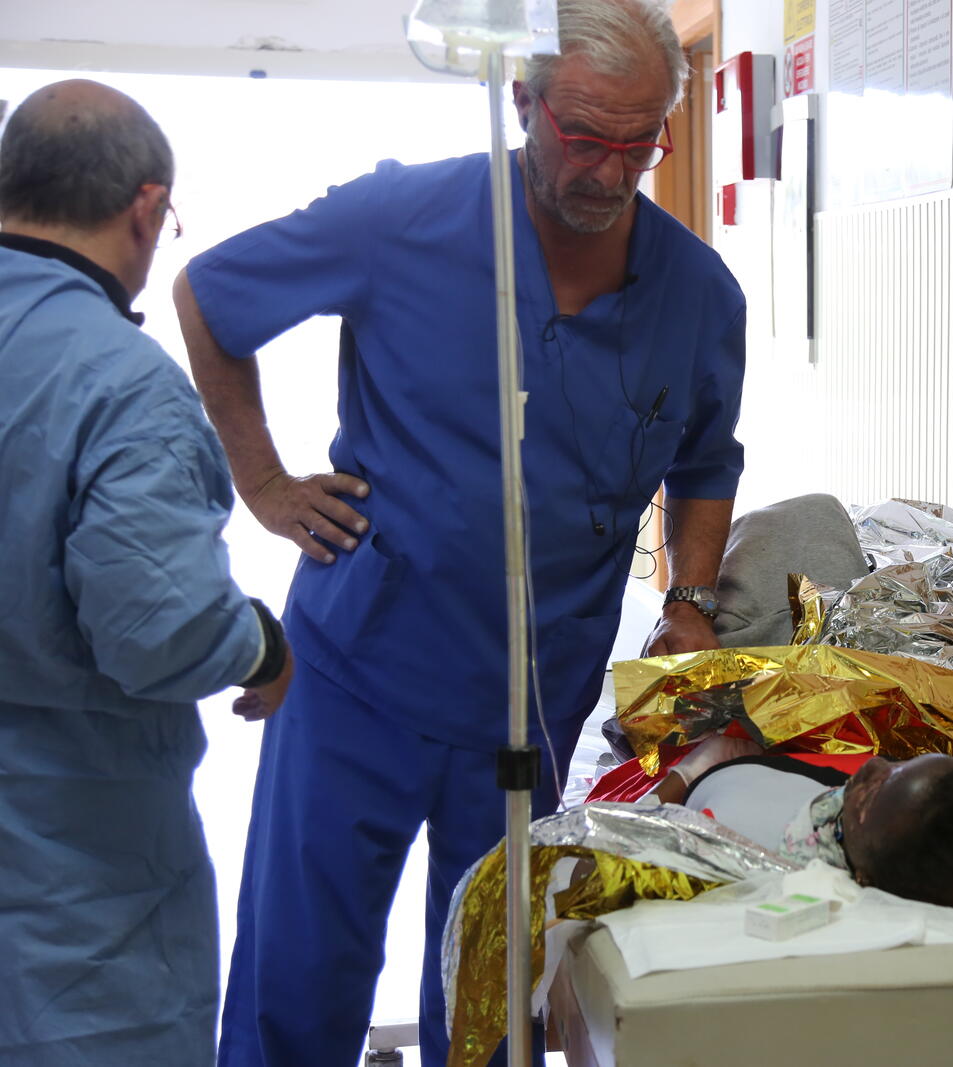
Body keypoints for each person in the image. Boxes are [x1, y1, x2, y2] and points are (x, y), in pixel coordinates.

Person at [172, 0, 747, 1062]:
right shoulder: (404, 220)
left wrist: (690, 599)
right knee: (299, 973)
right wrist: (262, 482)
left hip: (532, 695)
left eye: (640, 142)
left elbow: (706, 463)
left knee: (488, 992)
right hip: (359, 669)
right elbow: (209, 295)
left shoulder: (697, 294)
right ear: (523, 101)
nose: (611, 171)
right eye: (583, 135)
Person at [0, 80, 294, 1066]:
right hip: (70, 887)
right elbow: (155, 630)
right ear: (146, 208)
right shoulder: (121, 387)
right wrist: (262, 642)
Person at [653, 739, 953, 913]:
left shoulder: (752, 851)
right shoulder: (880, 820)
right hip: (770, 773)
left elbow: (614, 827)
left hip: (698, 784)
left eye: (869, 795)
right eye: (901, 762)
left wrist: (686, 775)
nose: (874, 766)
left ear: (866, 879)